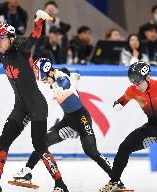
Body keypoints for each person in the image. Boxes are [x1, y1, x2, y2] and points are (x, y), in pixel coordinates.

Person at [0, 10, 69, 192]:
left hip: (37, 106)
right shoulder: (0, 48)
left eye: (1, 39)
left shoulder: (23, 51)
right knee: (3, 142)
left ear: (11, 39)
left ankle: (60, 184)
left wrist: (39, 19)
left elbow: (35, 35)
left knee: (39, 146)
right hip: (20, 107)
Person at [12, 58, 113, 186]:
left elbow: (64, 82)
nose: (44, 82)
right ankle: (27, 171)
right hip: (68, 120)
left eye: (44, 79)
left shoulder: (60, 80)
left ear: (49, 72)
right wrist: (73, 78)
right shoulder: (55, 76)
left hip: (81, 117)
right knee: (43, 141)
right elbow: (65, 73)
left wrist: (68, 82)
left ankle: (115, 178)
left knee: (91, 151)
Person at [99, 61, 157, 192]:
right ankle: (115, 181)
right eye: (133, 83)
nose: (136, 86)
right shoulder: (133, 90)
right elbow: (121, 101)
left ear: (147, 77)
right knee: (124, 147)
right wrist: (118, 104)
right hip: (152, 128)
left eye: (138, 83)